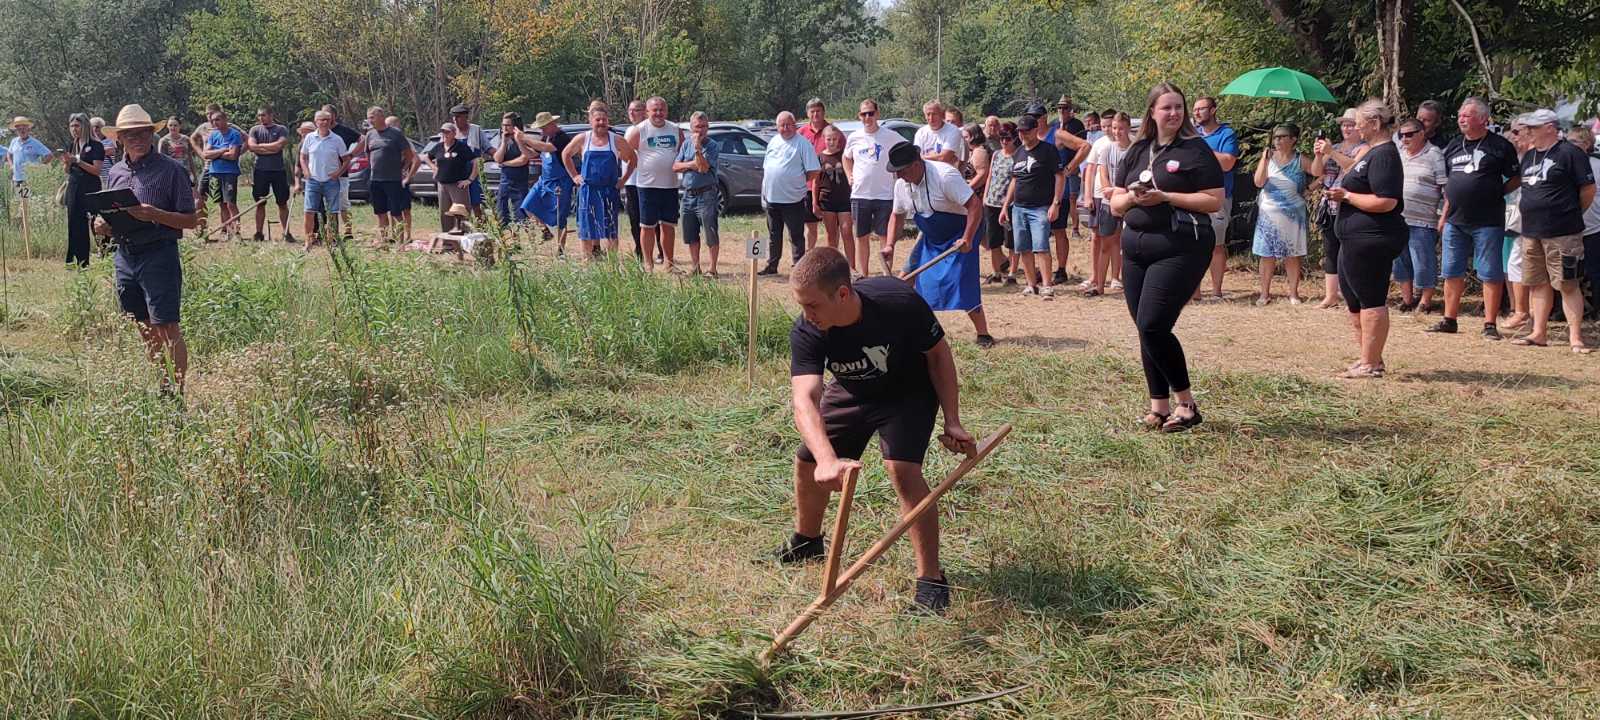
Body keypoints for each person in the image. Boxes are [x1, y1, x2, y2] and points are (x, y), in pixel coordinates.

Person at [778, 246, 976, 613]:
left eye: (813, 306)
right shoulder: (808, 328)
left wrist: (952, 419)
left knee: (902, 470)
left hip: (907, 392)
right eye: (802, 306)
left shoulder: (898, 302)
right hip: (853, 388)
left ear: (842, 294)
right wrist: (826, 460)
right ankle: (807, 543)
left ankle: (931, 580)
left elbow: (938, 355)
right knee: (807, 460)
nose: (807, 315)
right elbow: (804, 398)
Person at [1108, 82, 1224, 430]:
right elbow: (1115, 203)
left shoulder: (1195, 149)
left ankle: (1187, 405)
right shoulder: (1138, 149)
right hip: (1136, 249)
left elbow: (1213, 200)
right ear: (1152, 113)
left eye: (1179, 107)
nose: (1174, 113)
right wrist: (1132, 198)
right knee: (1146, 329)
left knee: (1152, 324)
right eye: (1167, 108)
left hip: (1181, 247)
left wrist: (1167, 197)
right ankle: (1158, 406)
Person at [94, 104, 199, 395]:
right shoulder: (115, 172)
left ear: (152, 135)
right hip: (125, 256)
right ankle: (162, 383)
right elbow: (112, 213)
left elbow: (191, 220)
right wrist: (102, 224)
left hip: (159, 253)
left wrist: (155, 214)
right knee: (143, 325)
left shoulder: (172, 171)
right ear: (120, 139)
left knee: (167, 326)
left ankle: (176, 393)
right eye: (130, 135)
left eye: (143, 133)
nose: (137, 139)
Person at [885, 141, 995, 348]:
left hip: (960, 234)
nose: (899, 176)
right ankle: (906, 329)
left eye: (901, 171)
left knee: (962, 284)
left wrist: (968, 238)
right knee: (906, 281)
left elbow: (974, 206)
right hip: (930, 235)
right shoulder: (902, 185)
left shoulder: (945, 176)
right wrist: (890, 245)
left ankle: (983, 334)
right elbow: (896, 216)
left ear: (916, 165)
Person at [1326, 100, 1407, 379]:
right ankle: (1367, 358)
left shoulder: (1385, 154)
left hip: (1373, 238)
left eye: (1360, 122)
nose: (1356, 127)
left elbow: (1386, 201)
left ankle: (1371, 363)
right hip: (1351, 239)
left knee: (1371, 299)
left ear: (1375, 123)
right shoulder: (1370, 152)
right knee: (1353, 298)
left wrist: (1346, 196)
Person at [1432, 97, 1521, 338]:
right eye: (1460, 115)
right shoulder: (1453, 145)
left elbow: (1515, 177)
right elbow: (1451, 183)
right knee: (1451, 270)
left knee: (1490, 271)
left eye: (1467, 115)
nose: (1461, 119)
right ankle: (1449, 319)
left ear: (1483, 119)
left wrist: (1495, 192)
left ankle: (1489, 324)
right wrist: (1445, 213)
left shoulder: (1500, 146)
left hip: (1488, 220)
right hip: (1455, 220)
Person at [1510, 109, 1596, 351]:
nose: (1528, 132)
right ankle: (1539, 332)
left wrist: (1571, 213)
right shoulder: (1529, 156)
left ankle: (1575, 337)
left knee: (1568, 283)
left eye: (1533, 128)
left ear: (1550, 127)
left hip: (1563, 231)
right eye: (1527, 128)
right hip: (1531, 231)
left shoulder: (1570, 153)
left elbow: (1588, 189)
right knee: (1537, 283)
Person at [999, 113, 1065, 298]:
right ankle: (1031, 284)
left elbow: (1060, 176)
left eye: (1026, 132)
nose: (1023, 135)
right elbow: (1014, 180)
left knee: (1041, 247)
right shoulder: (1019, 152)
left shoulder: (1048, 150)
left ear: (1036, 130)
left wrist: (1055, 203)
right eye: (1020, 132)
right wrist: (1006, 206)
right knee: (1023, 247)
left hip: (1040, 207)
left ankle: (1047, 285)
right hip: (1019, 207)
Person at [1251, 123, 1316, 305]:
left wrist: (1310, 188)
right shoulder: (1268, 158)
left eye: (1282, 136)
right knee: (1266, 254)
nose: (1277, 140)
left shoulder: (1300, 159)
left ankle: (1293, 294)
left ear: (1293, 139)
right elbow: (1258, 182)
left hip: (1293, 213)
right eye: (1276, 137)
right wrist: (1264, 160)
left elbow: (1321, 173)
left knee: (1292, 253)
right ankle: (1264, 294)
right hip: (1268, 213)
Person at [562, 103, 636, 259]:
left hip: (609, 190)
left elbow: (633, 159)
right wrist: (574, 176)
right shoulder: (583, 138)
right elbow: (566, 154)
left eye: (604, 119)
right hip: (588, 190)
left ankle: (612, 264)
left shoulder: (616, 140)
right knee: (586, 227)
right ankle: (587, 260)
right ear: (591, 121)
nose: (601, 123)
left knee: (610, 228)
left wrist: (623, 180)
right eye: (598, 120)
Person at [1312, 109, 1368, 309]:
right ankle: (1330, 295)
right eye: (1344, 124)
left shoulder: (1365, 148)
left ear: (1360, 127)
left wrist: (1331, 153)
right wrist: (1319, 155)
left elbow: (1352, 167)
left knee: (1351, 252)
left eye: (1351, 124)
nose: (1347, 128)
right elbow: (1316, 172)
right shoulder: (1333, 146)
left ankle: (1352, 294)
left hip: (1351, 205)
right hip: (1329, 206)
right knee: (1331, 250)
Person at [1391, 117, 1448, 312]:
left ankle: (1425, 301)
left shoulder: (1434, 154)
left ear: (1422, 134)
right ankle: (1407, 299)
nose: (1405, 138)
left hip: (1423, 219)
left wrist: (1443, 215)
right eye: (1402, 135)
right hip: (1398, 217)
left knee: (1423, 261)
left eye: (1409, 134)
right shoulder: (1399, 153)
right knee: (1400, 260)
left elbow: (1445, 188)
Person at [844, 99, 902, 277]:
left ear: (877, 114)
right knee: (861, 236)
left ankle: (886, 275)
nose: (867, 117)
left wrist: (900, 177)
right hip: (860, 195)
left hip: (884, 195)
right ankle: (864, 275)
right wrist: (849, 175)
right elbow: (846, 158)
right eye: (863, 114)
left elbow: (906, 150)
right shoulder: (854, 137)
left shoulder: (890, 136)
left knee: (885, 238)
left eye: (870, 113)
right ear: (859, 116)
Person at [626, 96, 683, 272]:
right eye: (654, 110)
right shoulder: (640, 130)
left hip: (670, 186)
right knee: (647, 226)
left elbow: (682, 152)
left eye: (661, 109)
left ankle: (669, 262)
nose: (658, 113)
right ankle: (648, 263)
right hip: (647, 186)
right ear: (647, 112)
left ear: (666, 111)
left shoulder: (675, 129)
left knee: (668, 225)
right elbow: (625, 153)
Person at [760, 111, 820, 275]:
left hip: (793, 199)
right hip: (772, 198)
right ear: (777, 126)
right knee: (774, 235)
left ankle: (798, 268)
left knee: (796, 236)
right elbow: (767, 169)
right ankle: (772, 266)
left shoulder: (803, 144)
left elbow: (813, 171)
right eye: (781, 125)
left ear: (794, 125)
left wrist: (797, 182)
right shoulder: (773, 141)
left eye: (788, 124)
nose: (785, 128)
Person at [1191, 96, 1239, 301]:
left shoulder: (1226, 134)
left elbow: (1228, 163)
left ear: (1213, 110)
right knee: (1193, 244)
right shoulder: (1192, 135)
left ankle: (1217, 292)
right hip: (1193, 196)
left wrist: (1202, 149)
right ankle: (1194, 292)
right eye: (1194, 110)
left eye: (1201, 109)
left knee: (1216, 244)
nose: (1197, 113)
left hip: (1218, 197)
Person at [1042, 98, 1093, 282]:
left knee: (1060, 227)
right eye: (1059, 107)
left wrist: (1070, 168)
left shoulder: (1074, 125)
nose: (1062, 110)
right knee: (1041, 230)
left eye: (1065, 107)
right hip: (1042, 187)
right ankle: (1043, 268)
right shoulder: (1055, 125)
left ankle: (1061, 269)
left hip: (1064, 175)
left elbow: (1084, 146)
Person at [521, 112, 576, 256]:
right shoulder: (546, 137)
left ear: (552, 124)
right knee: (527, 206)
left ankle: (561, 250)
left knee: (560, 217)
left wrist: (525, 138)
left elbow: (547, 148)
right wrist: (520, 142)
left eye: (543, 127)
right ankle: (544, 231)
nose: (542, 131)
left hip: (560, 182)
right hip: (544, 180)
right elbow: (531, 154)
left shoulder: (561, 137)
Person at [673, 111, 721, 276]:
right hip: (688, 195)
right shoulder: (685, 144)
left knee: (710, 232)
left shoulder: (712, 146)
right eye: (696, 127)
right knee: (690, 232)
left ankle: (712, 269)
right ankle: (695, 267)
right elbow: (675, 166)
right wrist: (692, 164)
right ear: (691, 128)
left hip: (706, 195)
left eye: (703, 126)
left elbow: (704, 168)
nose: (700, 130)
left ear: (707, 127)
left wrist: (698, 150)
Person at [1082, 110, 1124, 295]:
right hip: (1100, 195)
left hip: (1119, 195)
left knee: (1116, 238)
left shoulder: (1126, 143)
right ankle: (1095, 276)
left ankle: (1116, 276)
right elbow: (1090, 171)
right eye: (1105, 126)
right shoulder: (1099, 144)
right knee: (1097, 236)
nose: (1108, 129)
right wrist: (1088, 195)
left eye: (1111, 126)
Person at [298, 110, 350, 249]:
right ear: (316, 122)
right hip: (313, 180)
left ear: (331, 121)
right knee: (309, 211)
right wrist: (306, 171)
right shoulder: (309, 137)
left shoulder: (337, 139)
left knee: (332, 212)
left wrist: (338, 173)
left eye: (327, 119)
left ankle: (331, 240)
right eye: (321, 120)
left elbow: (346, 160)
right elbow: (303, 157)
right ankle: (308, 241)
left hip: (331, 181)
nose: (324, 122)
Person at [62, 113, 105, 267]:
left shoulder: (96, 145)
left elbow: (96, 170)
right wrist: (67, 163)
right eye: (72, 126)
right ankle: (80, 261)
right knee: (75, 223)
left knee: (96, 222)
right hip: (74, 188)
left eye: (77, 126)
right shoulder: (71, 145)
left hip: (91, 188)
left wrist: (78, 161)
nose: (74, 129)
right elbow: (67, 171)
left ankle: (106, 253)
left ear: (85, 126)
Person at [246, 106, 291, 243]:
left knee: (282, 203)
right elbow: (251, 147)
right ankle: (259, 233)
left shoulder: (281, 129)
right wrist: (269, 148)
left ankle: (286, 232)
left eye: (264, 115)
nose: (261, 118)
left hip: (278, 171)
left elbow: (279, 146)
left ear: (271, 115)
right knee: (260, 203)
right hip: (260, 171)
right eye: (259, 116)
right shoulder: (255, 130)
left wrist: (260, 148)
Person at [1568, 126, 1600, 317]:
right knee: (1569, 272)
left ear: (1586, 144)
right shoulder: (1568, 162)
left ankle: (1595, 309)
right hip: (1569, 227)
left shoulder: (1595, 165)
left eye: (1573, 143)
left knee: (1593, 270)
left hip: (1592, 225)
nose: (1568, 147)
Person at [982, 121, 1019, 285]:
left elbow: (1015, 181)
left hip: (1009, 205)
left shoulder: (1018, 156)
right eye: (1002, 137)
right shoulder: (996, 154)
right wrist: (985, 195)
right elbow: (990, 175)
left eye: (1008, 138)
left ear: (1015, 138)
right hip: (992, 202)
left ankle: (1012, 273)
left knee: (1011, 241)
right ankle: (996, 271)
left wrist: (1008, 203)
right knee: (993, 240)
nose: (1004, 141)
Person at [427, 123, 480, 234]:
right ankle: (448, 241)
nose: (445, 134)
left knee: (460, 212)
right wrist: (434, 167)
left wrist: (470, 179)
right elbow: (427, 157)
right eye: (443, 132)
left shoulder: (461, 147)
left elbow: (476, 161)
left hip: (458, 184)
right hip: (442, 184)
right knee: (445, 212)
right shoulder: (439, 146)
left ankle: (463, 238)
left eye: (447, 132)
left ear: (454, 133)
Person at [200, 109, 244, 242]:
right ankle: (225, 230)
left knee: (230, 203)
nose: (215, 123)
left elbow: (233, 156)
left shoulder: (234, 134)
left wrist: (216, 153)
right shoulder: (213, 135)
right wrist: (223, 150)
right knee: (221, 204)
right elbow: (206, 154)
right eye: (212, 121)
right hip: (214, 172)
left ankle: (236, 232)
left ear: (225, 119)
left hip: (229, 173)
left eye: (217, 120)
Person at [812, 125, 853, 266]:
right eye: (829, 139)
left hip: (844, 199)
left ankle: (852, 267)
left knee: (847, 231)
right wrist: (815, 203)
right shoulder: (819, 157)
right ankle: (833, 267)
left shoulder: (845, 155)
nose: (832, 142)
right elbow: (815, 182)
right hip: (827, 200)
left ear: (839, 139)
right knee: (831, 235)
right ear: (824, 139)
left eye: (834, 139)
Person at [798, 98, 832, 252]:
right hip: (808, 185)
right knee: (810, 225)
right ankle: (808, 255)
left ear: (823, 112)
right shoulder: (801, 133)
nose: (816, 114)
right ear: (807, 114)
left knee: (831, 226)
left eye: (818, 111)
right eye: (812, 111)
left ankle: (831, 256)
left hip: (828, 186)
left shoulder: (832, 131)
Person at [493, 111, 535, 228]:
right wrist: (503, 142)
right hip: (505, 183)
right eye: (503, 125)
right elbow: (497, 158)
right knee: (503, 217)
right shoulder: (503, 140)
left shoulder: (523, 139)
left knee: (522, 217)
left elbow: (523, 160)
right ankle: (513, 241)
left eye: (507, 125)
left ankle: (531, 239)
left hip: (520, 183)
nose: (504, 128)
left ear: (515, 126)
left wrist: (505, 163)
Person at [620, 99, 648, 258]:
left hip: (645, 181)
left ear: (644, 112)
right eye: (630, 110)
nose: (632, 113)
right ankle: (639, 249)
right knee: (634, 217)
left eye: (636, 110)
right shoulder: (629, 130)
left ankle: (658, 251)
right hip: (630, 181)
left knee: (649, 219)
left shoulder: (647, 129)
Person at [6, 116, 54, 188]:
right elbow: (9, 153)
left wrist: (40, 166)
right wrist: (11, 165)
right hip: (16, 178)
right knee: (18, 198)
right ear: (16, 130)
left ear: (28, 129)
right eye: (19, 129)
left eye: (24, 128)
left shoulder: (35, 143)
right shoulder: (14, 141)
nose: (22, 131)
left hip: (30, 179)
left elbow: (49, 155)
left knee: (26, 198)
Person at [913, 99, 964, 164]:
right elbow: (916, 157)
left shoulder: (953, 130)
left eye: (934, 114)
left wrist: (923, 157)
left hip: (946, 172)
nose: (931, 118)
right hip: (926, 172)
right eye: (928, 114)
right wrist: (938, 157)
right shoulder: (921, 132)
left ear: (942, 115)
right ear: (925, 116)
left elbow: (944, 157)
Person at [157, 117, 198, 187]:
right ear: (167, 126)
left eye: (175, 125)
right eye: (170, 125)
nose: (173, 128)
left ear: (180, 126)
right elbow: (160, 161)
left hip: (186, 173)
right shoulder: (163, 141)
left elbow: (190, 157)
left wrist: (194, 175)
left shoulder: (186, 139)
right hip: (171, 174)